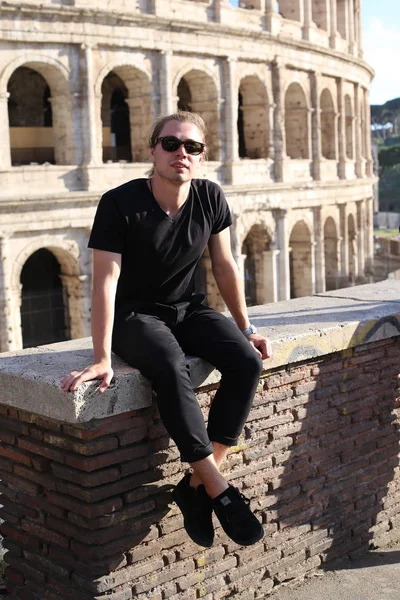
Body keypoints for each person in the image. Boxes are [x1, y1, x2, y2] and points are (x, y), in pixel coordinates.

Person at [60, 111, 272, 548]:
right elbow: (105, 282)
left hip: (187, 309)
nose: (181, 153)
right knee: (171, 367)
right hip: (134, 318)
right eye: (171, 144)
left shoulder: (211, 197)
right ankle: (218, 488)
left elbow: (225, 267)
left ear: (202, 157)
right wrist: (101, 357)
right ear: (153, 149)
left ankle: (196, 484)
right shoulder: (119, 203)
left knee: (247, 361)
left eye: (192, 147)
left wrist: (246, 326)